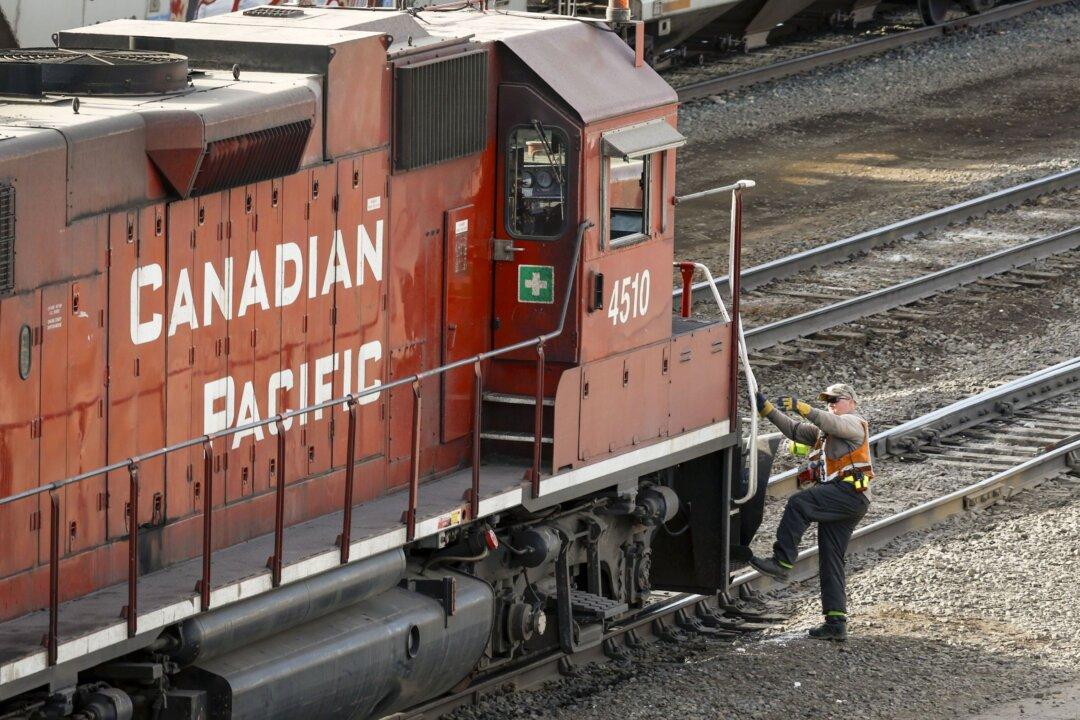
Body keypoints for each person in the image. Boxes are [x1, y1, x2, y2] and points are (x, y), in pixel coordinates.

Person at [749, 383, 873, 642]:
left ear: (851, 401)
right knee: (830, 558)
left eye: (836, 399)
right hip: (843, 499)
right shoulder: (824, 433)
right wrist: (767, 409)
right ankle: (835, 623)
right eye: (828, 400)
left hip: (849, 494)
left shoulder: (854, 423)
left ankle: (781, 562)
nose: (831, 404)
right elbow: (794, 430)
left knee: (799, 504)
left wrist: (801, 407)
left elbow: (831, 422)